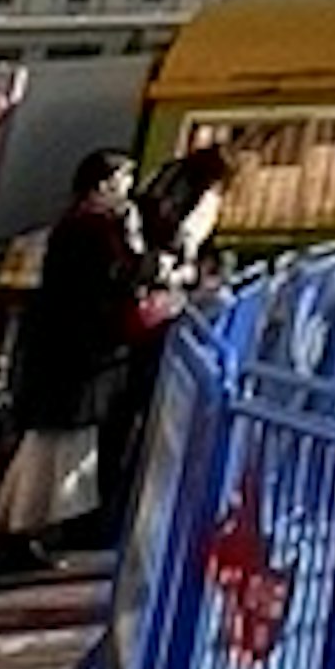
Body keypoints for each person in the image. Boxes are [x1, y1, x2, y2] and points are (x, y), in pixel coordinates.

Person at [0, 150, 145, 572]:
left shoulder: (82, 229)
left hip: (69, 353)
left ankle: (14, 526)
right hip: (74, 355)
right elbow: (109, 285)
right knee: (54, 449)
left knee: (51, 448)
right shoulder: (89, 233)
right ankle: (18, 528)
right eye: (123, 180)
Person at [91, 144, 229, 548]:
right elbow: (182, 251)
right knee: (143, 420)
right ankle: (117, 519)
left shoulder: (155, 194)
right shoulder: (197, 205)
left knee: (121, 421)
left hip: (131, 324)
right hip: (157, 320)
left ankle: (101, 515)